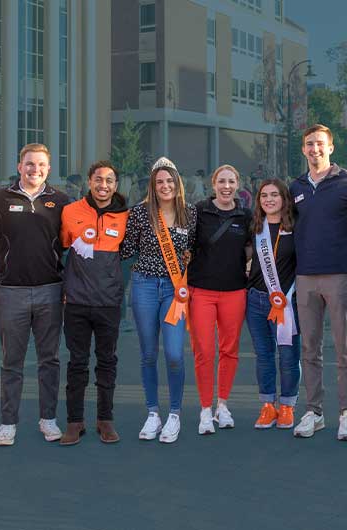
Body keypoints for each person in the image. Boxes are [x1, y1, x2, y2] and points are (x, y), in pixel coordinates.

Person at [0, 143, 69, 446]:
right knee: (12, 362)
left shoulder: (60, 201)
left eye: (41, 165)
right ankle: (8, 423)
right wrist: (11, 261)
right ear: (19, 166)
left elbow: (66, 243)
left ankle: (48, 419)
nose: (35, 170)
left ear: (49, 169)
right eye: (30, 164)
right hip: (11, 292)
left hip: (50, 290)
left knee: (49, 360)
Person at [289, 124, 347, 440]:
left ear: (331, 147)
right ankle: (313, 412)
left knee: (345, 348)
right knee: (309, 348)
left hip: (341, 276)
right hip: (305, 277)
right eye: (309, 144)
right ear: (303, 149)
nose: (314, 149)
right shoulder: (295, 187)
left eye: (320, 143)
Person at [120, 156, 196, 443]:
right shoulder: (140, 213)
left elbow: (195, 249)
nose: (165, 186)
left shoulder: (190, 213)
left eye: (169, 180)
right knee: (148, 354)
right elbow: (126, 249)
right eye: (159, 181)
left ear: (178, 183)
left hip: (175, 290)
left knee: (175, 354)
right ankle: (153, 413)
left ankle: (174, 414)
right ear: (152, 185)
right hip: (145, 286)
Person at [59, 161, 129, 445]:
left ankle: (105, 420)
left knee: (107, 361)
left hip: (108, 303)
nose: (104, 185)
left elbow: (127, 255)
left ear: (116, 185)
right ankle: (74, 422)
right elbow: (62, 247)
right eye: (98, 179)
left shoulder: (125, 215)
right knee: (77, 363)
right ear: (89, 181)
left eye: (110, 180)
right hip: (75, 301)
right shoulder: (70, 212)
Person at [187, 164, 251, 434]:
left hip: (235, 290)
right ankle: (204, 408)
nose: (226, 186)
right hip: (201, 290)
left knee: (229, 350)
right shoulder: (199, 211)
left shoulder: (246, 215)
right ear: (213, 184)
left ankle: (222, 405)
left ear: (238, 184)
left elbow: (251, 247)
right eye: (222, 181)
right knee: (204, 351)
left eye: (231, 181)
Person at [245, 179, 301, 430]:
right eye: (264, 195)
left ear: (284, 199)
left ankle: (287, 406)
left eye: (274, 195)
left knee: (288, 355)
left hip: (287, 301)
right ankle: (268, 406)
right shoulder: (256, 227)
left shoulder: (296, 227)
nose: (269, 199)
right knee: (264, 356)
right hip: (256, 300)